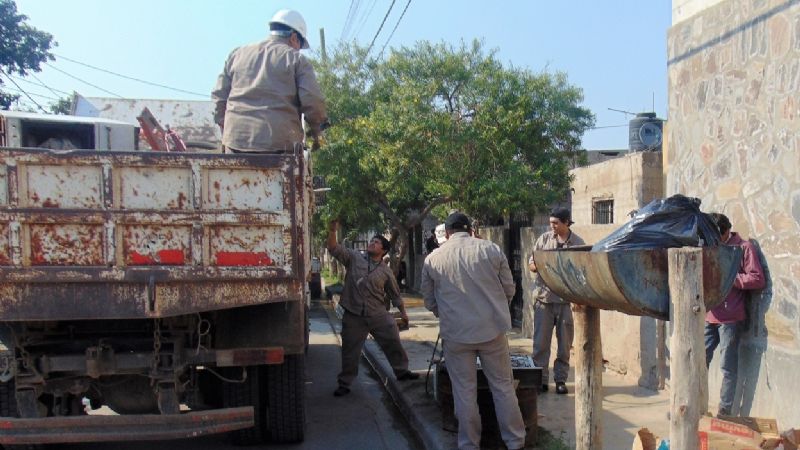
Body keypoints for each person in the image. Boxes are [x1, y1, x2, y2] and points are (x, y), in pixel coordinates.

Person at [421, 212, 526, 450]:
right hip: (492, 331)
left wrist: (447, 315)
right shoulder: (491, 249)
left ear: (447, 233)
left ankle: (469, 444)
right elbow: (509, 288)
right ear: (469, 230)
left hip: (456, 335)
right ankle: (515, 442)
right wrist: (497, 308)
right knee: (502, 387)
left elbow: (429, 300)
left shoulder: (433, 259)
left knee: (464, 392)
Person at [211, 9, 327, 153]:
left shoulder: (237, 54)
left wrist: (226, 127)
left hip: (235, 146)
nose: (299, 50)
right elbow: (313, 101)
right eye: (300, 45)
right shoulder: (296, 60)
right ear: (294, 38)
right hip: (280, 148)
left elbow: (218, 96)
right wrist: (318, 133)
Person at [326, 220, 419, 397]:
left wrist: (404, 314)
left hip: (378, 314)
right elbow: (333, 248)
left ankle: (401, 371)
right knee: (350, 351)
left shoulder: (386, 271)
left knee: (393, 339)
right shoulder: (354, 258)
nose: (372, 243)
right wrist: (332, 231)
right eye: (372, 241)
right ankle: (345, 383)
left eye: (376, 242)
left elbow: (395, 294)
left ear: (383, 250)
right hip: (354, 314)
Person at [705, 213, 765, 417]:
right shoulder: (712, 243)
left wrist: (733, 279)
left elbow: (757, 278)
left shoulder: (743, 247)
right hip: (710, 313)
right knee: (698, 360)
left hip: (730, 317)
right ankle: (695, 405)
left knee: (727, 367)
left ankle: (724, 412)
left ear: (726, 231)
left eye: (717, 235)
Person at [528, 207, 585, 395]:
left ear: (566, 222)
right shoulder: (544, 239)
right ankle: (541, 380)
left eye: (555, 223)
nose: (551, 226)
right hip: (544, 300)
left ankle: (560, 380)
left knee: (564, 346)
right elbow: (531, 262)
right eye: (551, 222)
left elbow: (581, 269)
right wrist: (536, 266)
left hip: (566, 302)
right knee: (540, 345)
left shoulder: (578, 243)